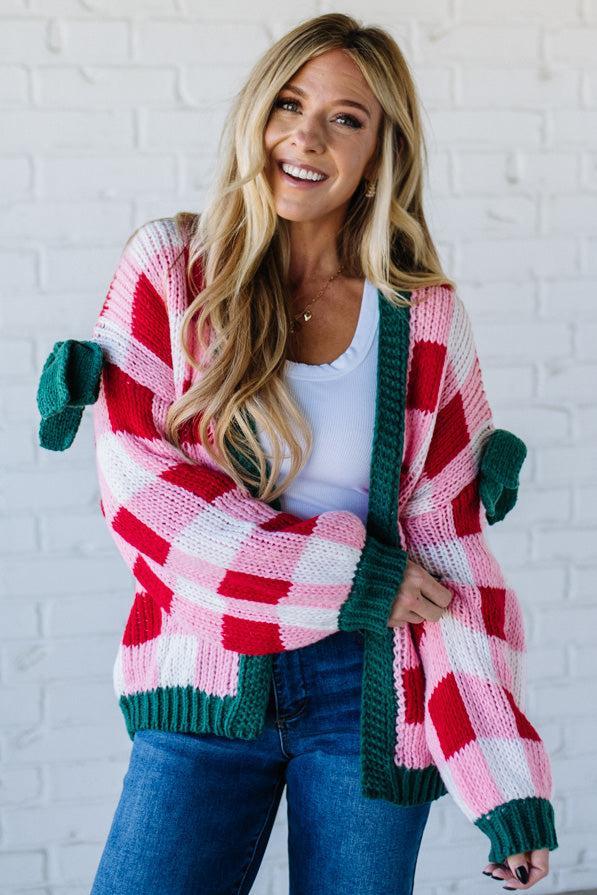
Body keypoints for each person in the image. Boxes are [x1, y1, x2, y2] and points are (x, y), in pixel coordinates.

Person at [88, 13, 557, 894]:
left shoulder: (423, 321)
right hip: (206, 670)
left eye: (346, 118)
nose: (304, 136)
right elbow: (144, 499)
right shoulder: (171, 270)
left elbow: (450, 553)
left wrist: (507, 787)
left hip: (367, 692)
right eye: (289, 104)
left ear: (380, 152)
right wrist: (354, 581)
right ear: (256, 115)